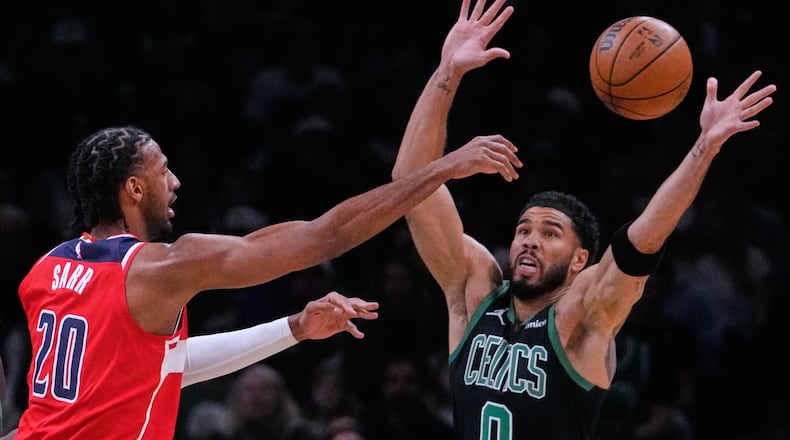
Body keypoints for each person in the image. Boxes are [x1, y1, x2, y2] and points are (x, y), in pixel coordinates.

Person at [390, 0, 777, 438]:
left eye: (549, 233)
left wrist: (705, 146)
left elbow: (640, 243)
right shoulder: (474, 291)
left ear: (580, 260)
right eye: (523, 230)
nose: (529, 241)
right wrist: (448, 71)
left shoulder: (582, 317)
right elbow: (409, 184)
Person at [10, 121, 521, 440]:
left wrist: (293, 328)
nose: (176, 182)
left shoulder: (45, 271)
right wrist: (440, 170)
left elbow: (160, 368)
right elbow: (325, 237)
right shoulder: (159, 268)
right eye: (164, 171)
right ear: (134, 187)